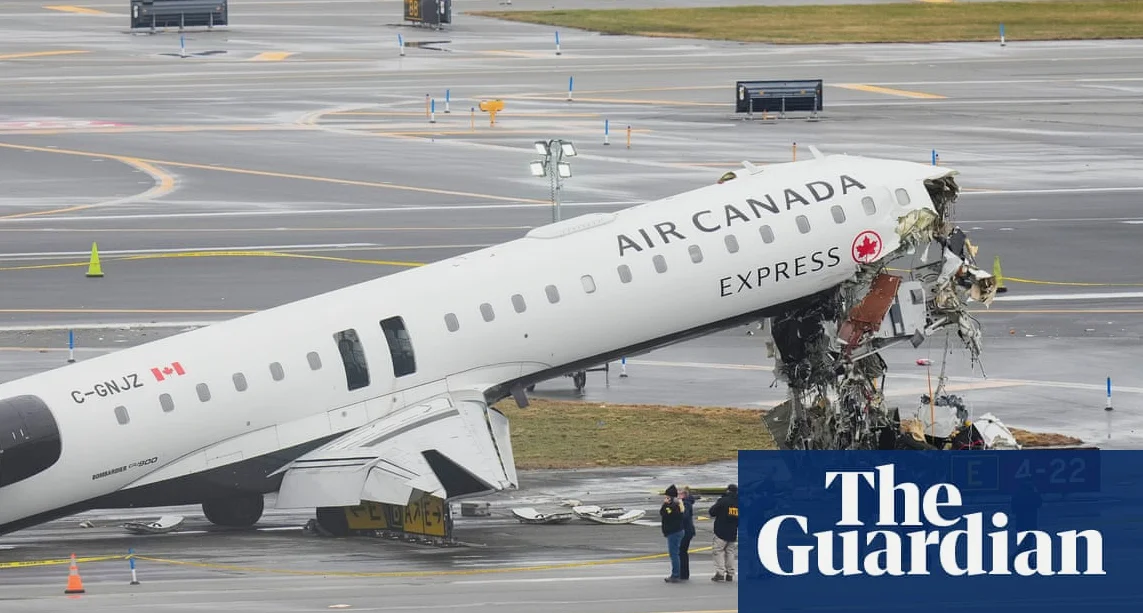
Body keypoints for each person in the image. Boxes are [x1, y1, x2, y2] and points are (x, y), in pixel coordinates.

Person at [708, 483, 738, 582]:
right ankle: (730, 573)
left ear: (728, 490)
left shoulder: (723, 500)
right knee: (730, 552)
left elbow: (712, 511)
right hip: (733, 531)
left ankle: (720, 572)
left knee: (718, 551)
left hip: (721, 530)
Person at [660, 484, 685, 583]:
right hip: (676, 530)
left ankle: (675, 574)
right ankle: (678, 573)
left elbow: (666, 514)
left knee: (674, 554)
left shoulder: (674, 505)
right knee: (676, 553)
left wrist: (665, 504)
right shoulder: (677, 504)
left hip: (674, 531)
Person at [678, 486, 697, 580]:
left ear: (684, 495)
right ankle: (683, 573)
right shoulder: (687, 503)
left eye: (679, 494)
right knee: (682, 552)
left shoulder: (686, 503)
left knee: (682, 551)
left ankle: (683, 573)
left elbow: (684, 516)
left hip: (686, 531)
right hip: (687, 530)